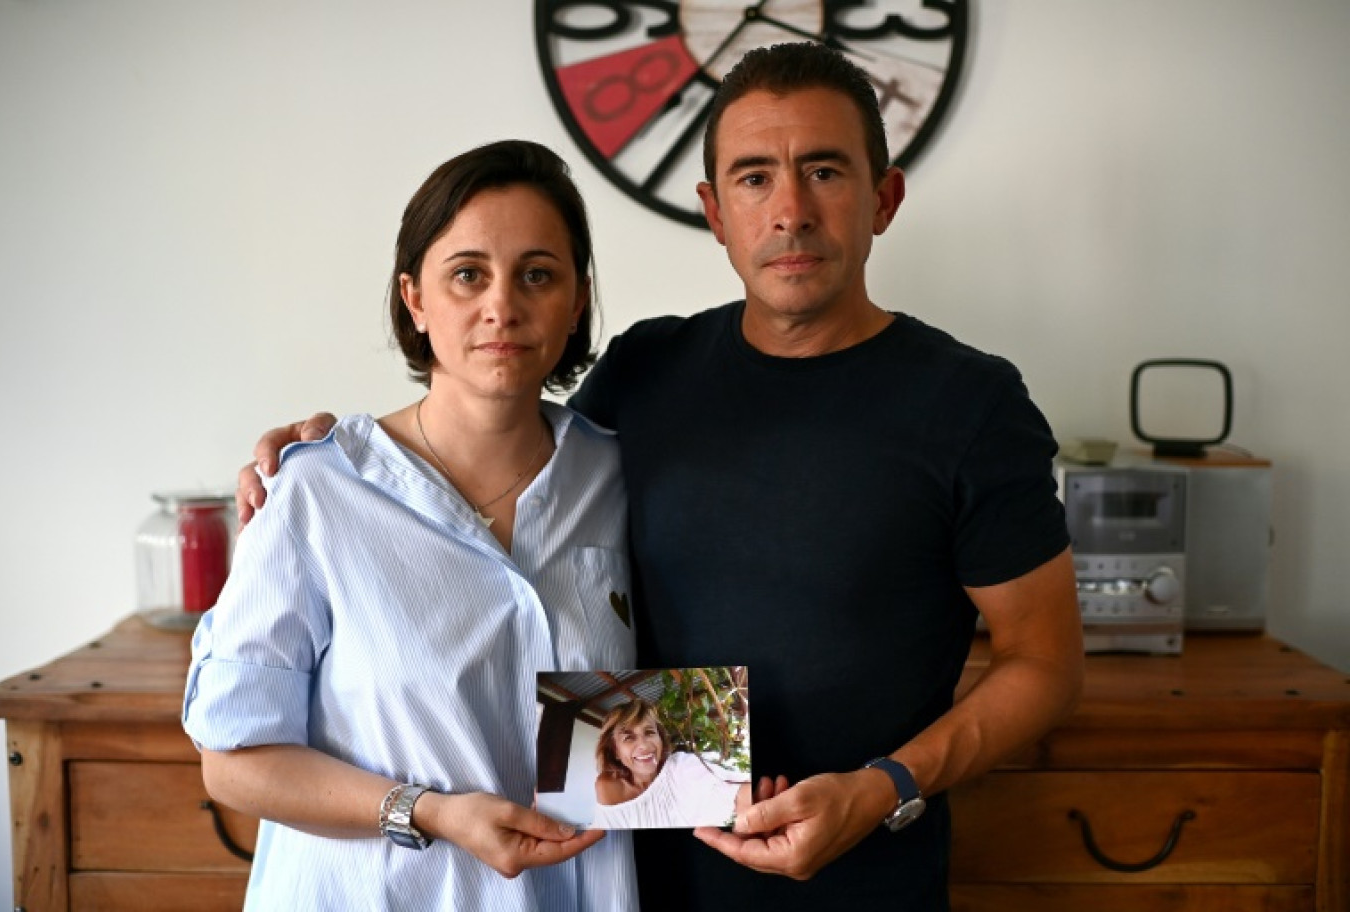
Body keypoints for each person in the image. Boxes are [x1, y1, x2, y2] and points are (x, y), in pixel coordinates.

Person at [237, 43, 1083, 911]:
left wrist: (884, 789)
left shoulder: (972, 403)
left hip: (860, 880)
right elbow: (493, 432)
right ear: (715, 212)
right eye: (754, 178)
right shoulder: (646, 372)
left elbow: (1045, 662)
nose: (789, 211)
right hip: (626, 875)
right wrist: (325, 454)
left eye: (823, 170)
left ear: (885, 197)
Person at [182, 140, 639, 910]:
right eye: (468, 274)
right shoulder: (316, 491)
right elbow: (232, 761)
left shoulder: (621, 475)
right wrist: (426, 812)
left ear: (577, 300)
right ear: (414, 298)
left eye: (538, 274)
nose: (503, 305)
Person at [592, 699, 748, 829]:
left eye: (649, 732)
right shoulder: (607, 787)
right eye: (629, 738)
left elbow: (736, 790)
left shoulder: (679, 767)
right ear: (615, 752)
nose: (644, 745)